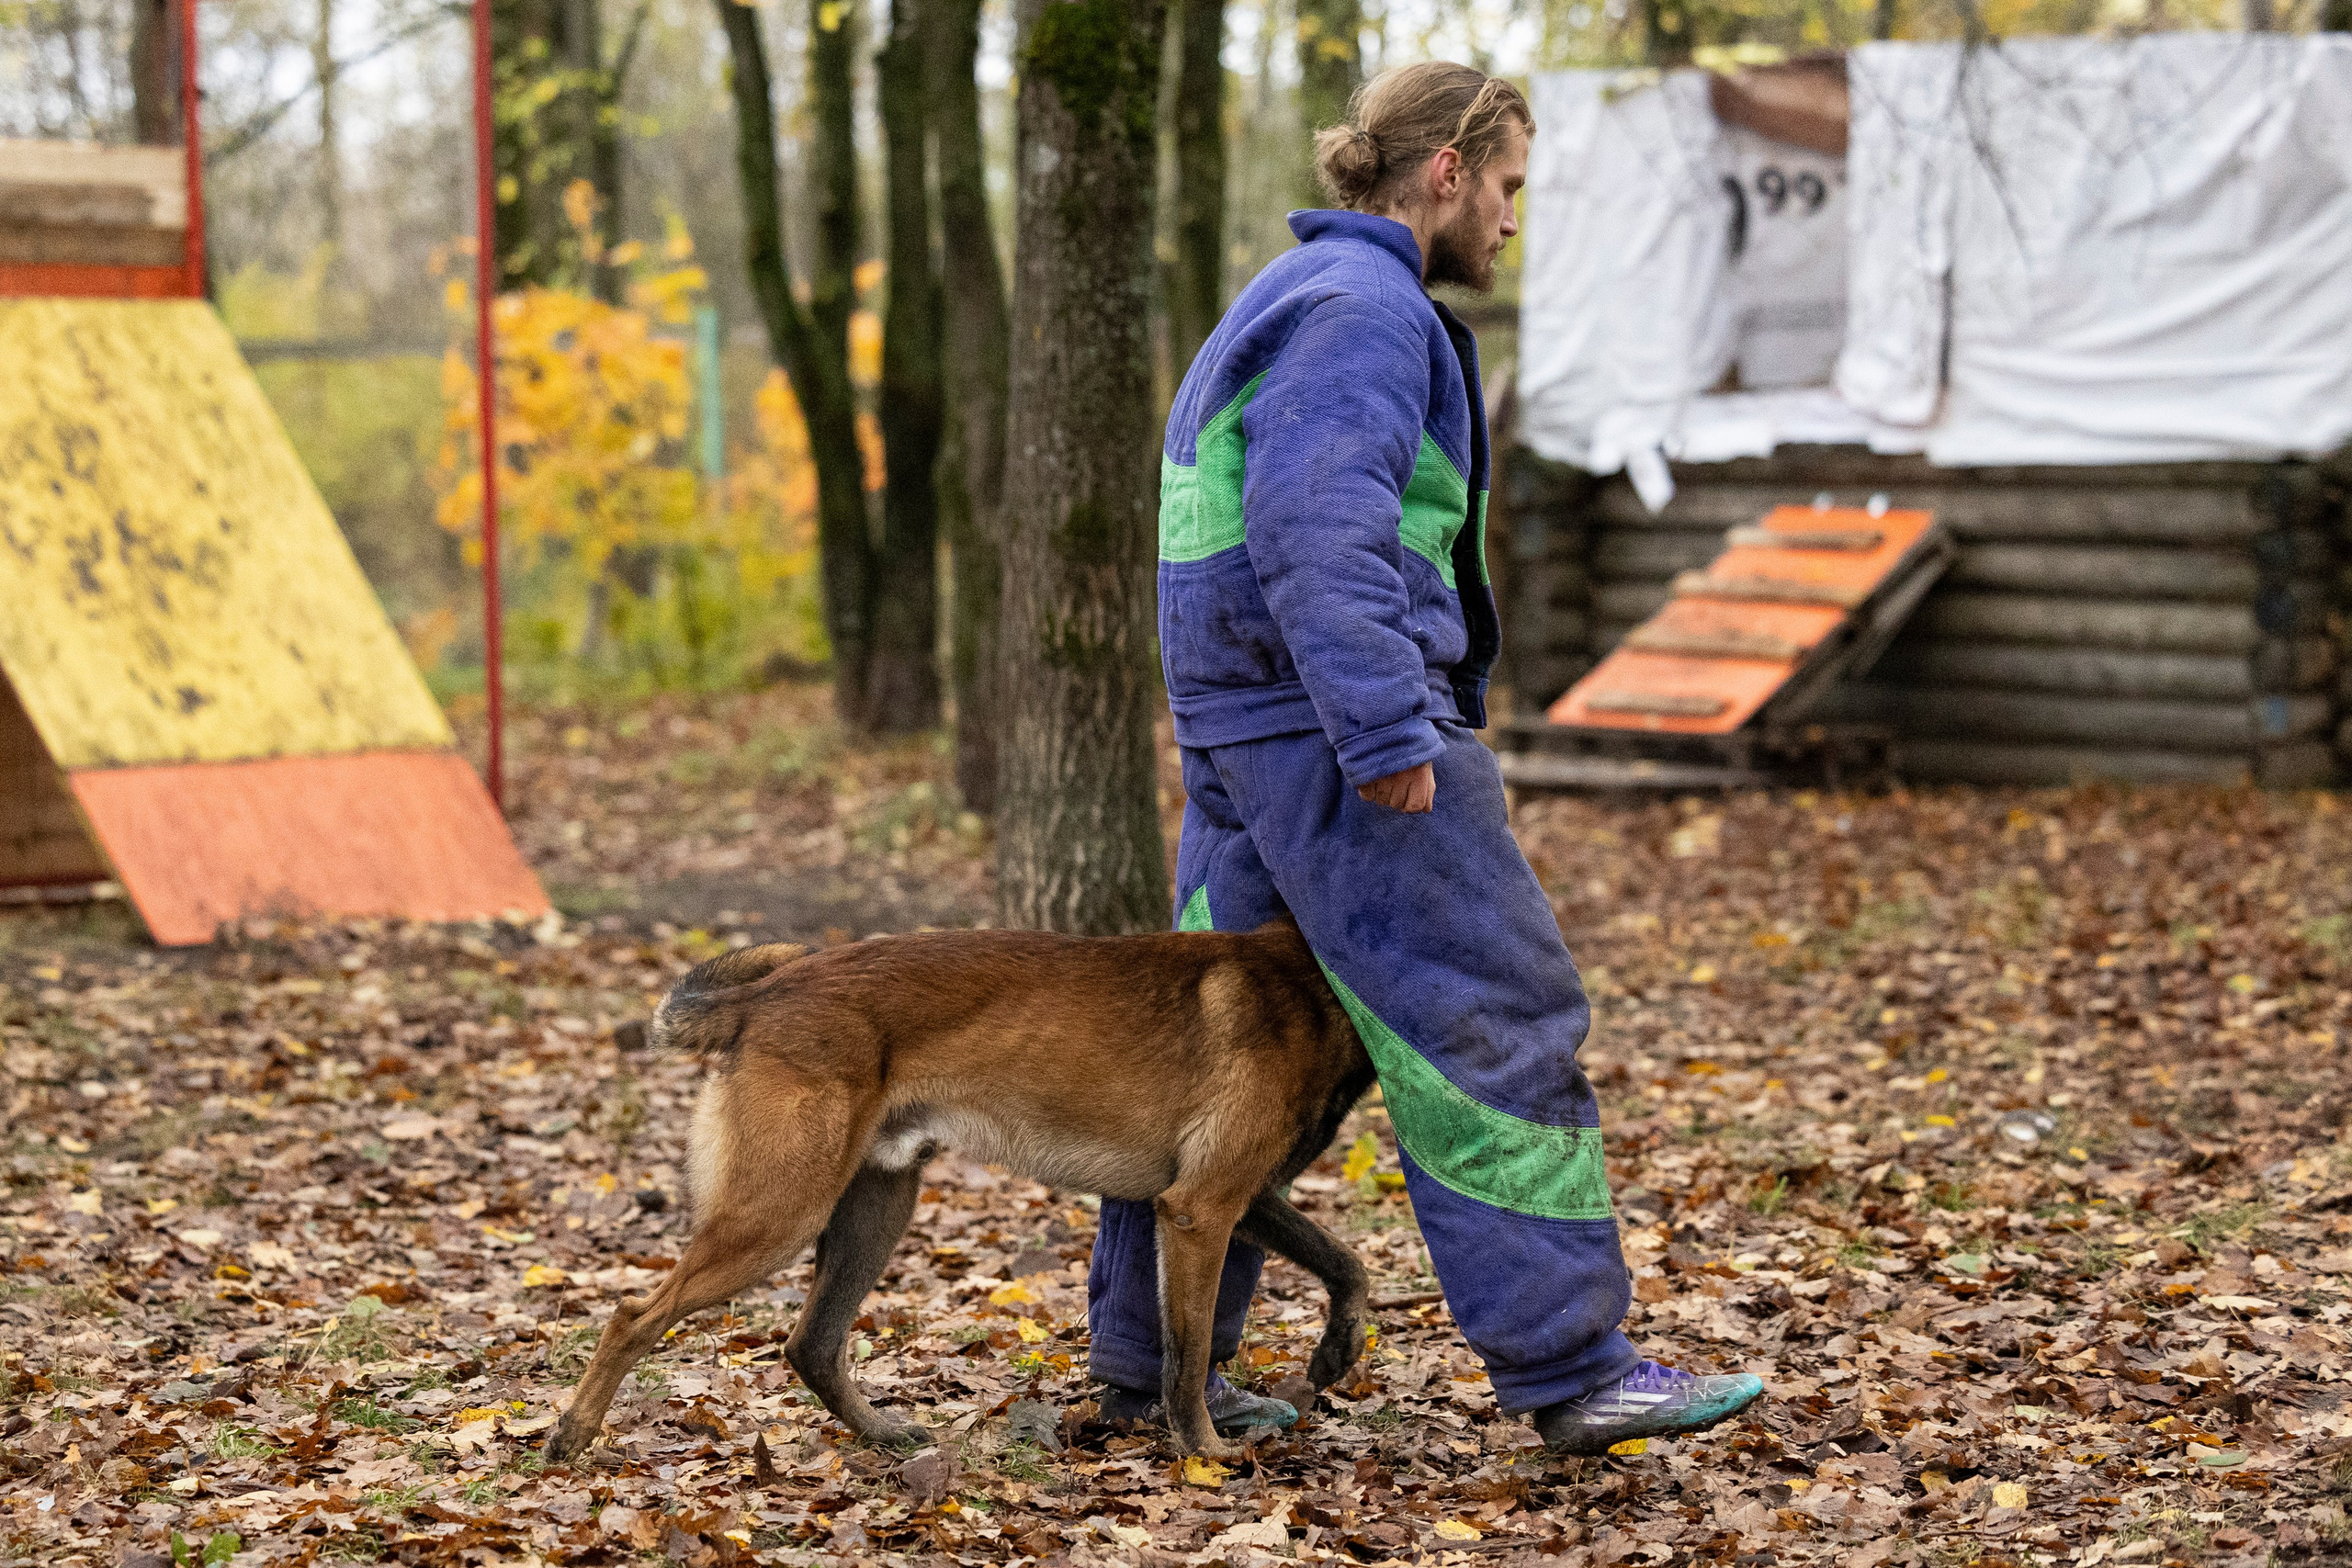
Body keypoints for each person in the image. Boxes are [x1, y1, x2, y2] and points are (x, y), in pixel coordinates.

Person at [1087, 61, 1766, 1455]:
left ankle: (1152, 1374)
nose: (1514, 219)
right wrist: (1388, 723)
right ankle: (1574, 1368)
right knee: (1495, 1018)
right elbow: (1311, 522)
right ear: (1444, 170)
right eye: (1509, 184)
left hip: (1244, 737)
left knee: (1200, 1060)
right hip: (1338, 735)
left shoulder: (1281, 301)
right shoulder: (1365, 312)